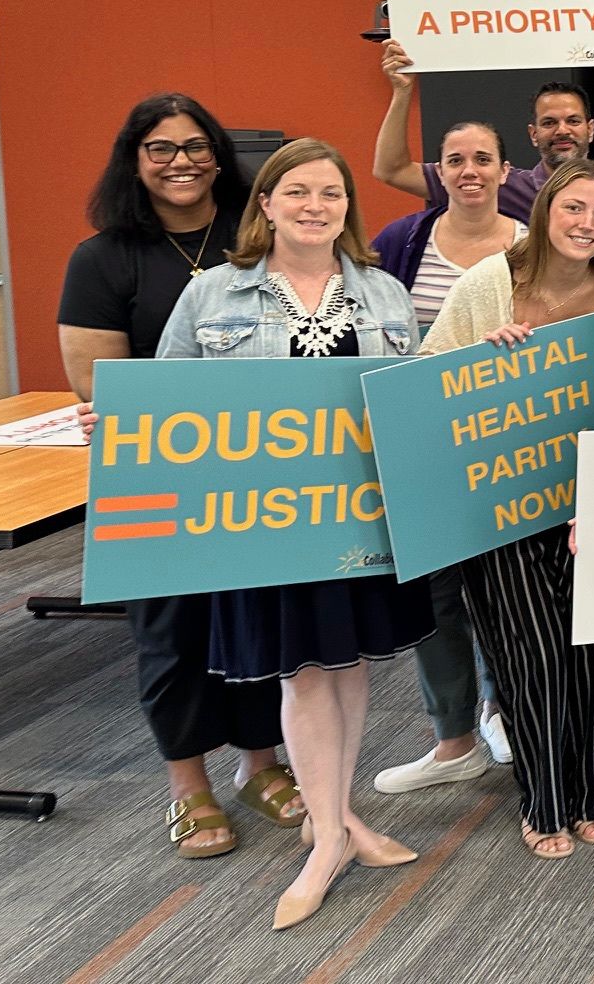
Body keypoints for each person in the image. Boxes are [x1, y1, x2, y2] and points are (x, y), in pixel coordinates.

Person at [156, 138, 432, 928]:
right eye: (300, 191)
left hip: (359, 517)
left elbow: (408, 400)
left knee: (345, 669)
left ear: (348, 208)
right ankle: (326, 842)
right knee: (303, 673)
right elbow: (168, 403)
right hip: (266, 521)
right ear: (267, 203)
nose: (317, 206)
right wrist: (120, 423)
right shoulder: (213, 294)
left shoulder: (381, 292)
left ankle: (334, 818)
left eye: (333, 194)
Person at [57, 94, 302, 860]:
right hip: (156, 481)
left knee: (259, 621)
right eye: (161, 148)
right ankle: (188, 787)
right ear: (134, 159)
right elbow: (97, 382)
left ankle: (261, 766)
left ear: (220, 156)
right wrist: (117, 414)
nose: (181, 161)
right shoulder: (102, 258)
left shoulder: (256, 244)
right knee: (171, 633)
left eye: (196, 146)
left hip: (256, 477)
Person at [425, 160, 594, 861]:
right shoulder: (489, 284)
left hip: (593, 497)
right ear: (547, 210)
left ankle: (587, 792)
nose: (588, 223)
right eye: (574, 207)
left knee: (588, 651)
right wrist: (481, 364)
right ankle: (542, 799)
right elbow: (429, 380)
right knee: (532, 656)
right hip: (504, 503)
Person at [368, 121, 524, 794]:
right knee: (433, 595)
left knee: (502, 585)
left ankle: (502, 711)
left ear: (503, 169)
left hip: (509, 443)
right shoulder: (403, 241)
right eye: (455, 159)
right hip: (425, 444)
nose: (469, 170)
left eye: (482, 159)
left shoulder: (533, 242)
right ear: (440, 170)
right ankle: (451, 734)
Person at [373, 38, 594, 221]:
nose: (562, 130)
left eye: (573, 121)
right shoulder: (501, 185)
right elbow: (392, 170)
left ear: (590, 129)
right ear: (533, 134)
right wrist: (402, 91)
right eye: (549, 123)